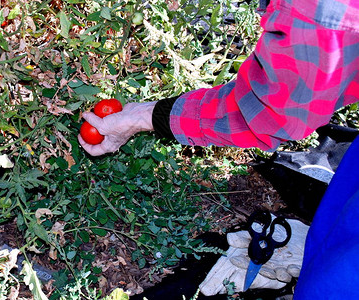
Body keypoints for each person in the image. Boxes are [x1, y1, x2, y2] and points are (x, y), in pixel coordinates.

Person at [78, 0, 359, 297]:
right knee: (340, 217)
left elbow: (261, 111)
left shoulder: (316, 12)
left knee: (334, 283)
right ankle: (330, 246)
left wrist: (140, 118)